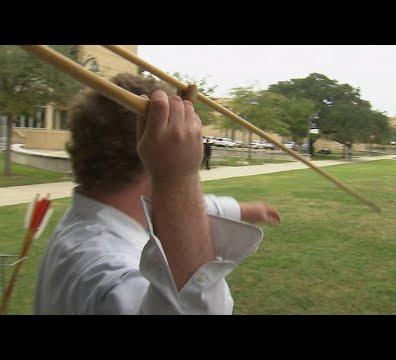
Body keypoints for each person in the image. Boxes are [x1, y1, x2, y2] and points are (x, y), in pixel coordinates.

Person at [34, 74, 280, 315]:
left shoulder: (88, 219)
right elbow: (193, 306)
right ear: (152, 159)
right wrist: (179, 177)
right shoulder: (102, 267)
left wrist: (245, 210)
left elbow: (179, 211)